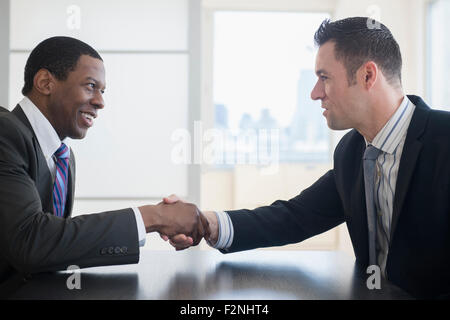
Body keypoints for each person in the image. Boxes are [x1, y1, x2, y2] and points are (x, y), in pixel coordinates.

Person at [163, 17, 450, 299]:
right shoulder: (351, 153)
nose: (315, 94)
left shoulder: (444, 140)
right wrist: (205, 222)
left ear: (367, 76)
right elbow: (294, 217)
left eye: (324, 78)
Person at [0, 36, 209, 285]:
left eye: (102, 90)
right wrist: (152, 217)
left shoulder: (63, 157)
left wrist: (155, 219)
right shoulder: (5, 133)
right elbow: (31, 241)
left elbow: (55, 248)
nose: (100, 101)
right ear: (45, 82)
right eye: (90, 86)